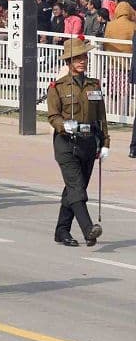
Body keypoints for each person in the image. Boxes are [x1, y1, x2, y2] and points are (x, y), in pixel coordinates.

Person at [45, 37, 107, 246]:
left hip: (88, 142)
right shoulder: (58, 87)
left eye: (84, 57)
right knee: (77, 187)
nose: (82, 61)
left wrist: (105, 142)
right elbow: (53, 116)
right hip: (66, 143)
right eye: (78, 58)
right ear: (69, 62)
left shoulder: (93, 85)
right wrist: (64, 125)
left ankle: (61, 230)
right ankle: (88, 229)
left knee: (74, 188)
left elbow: (101, 117)